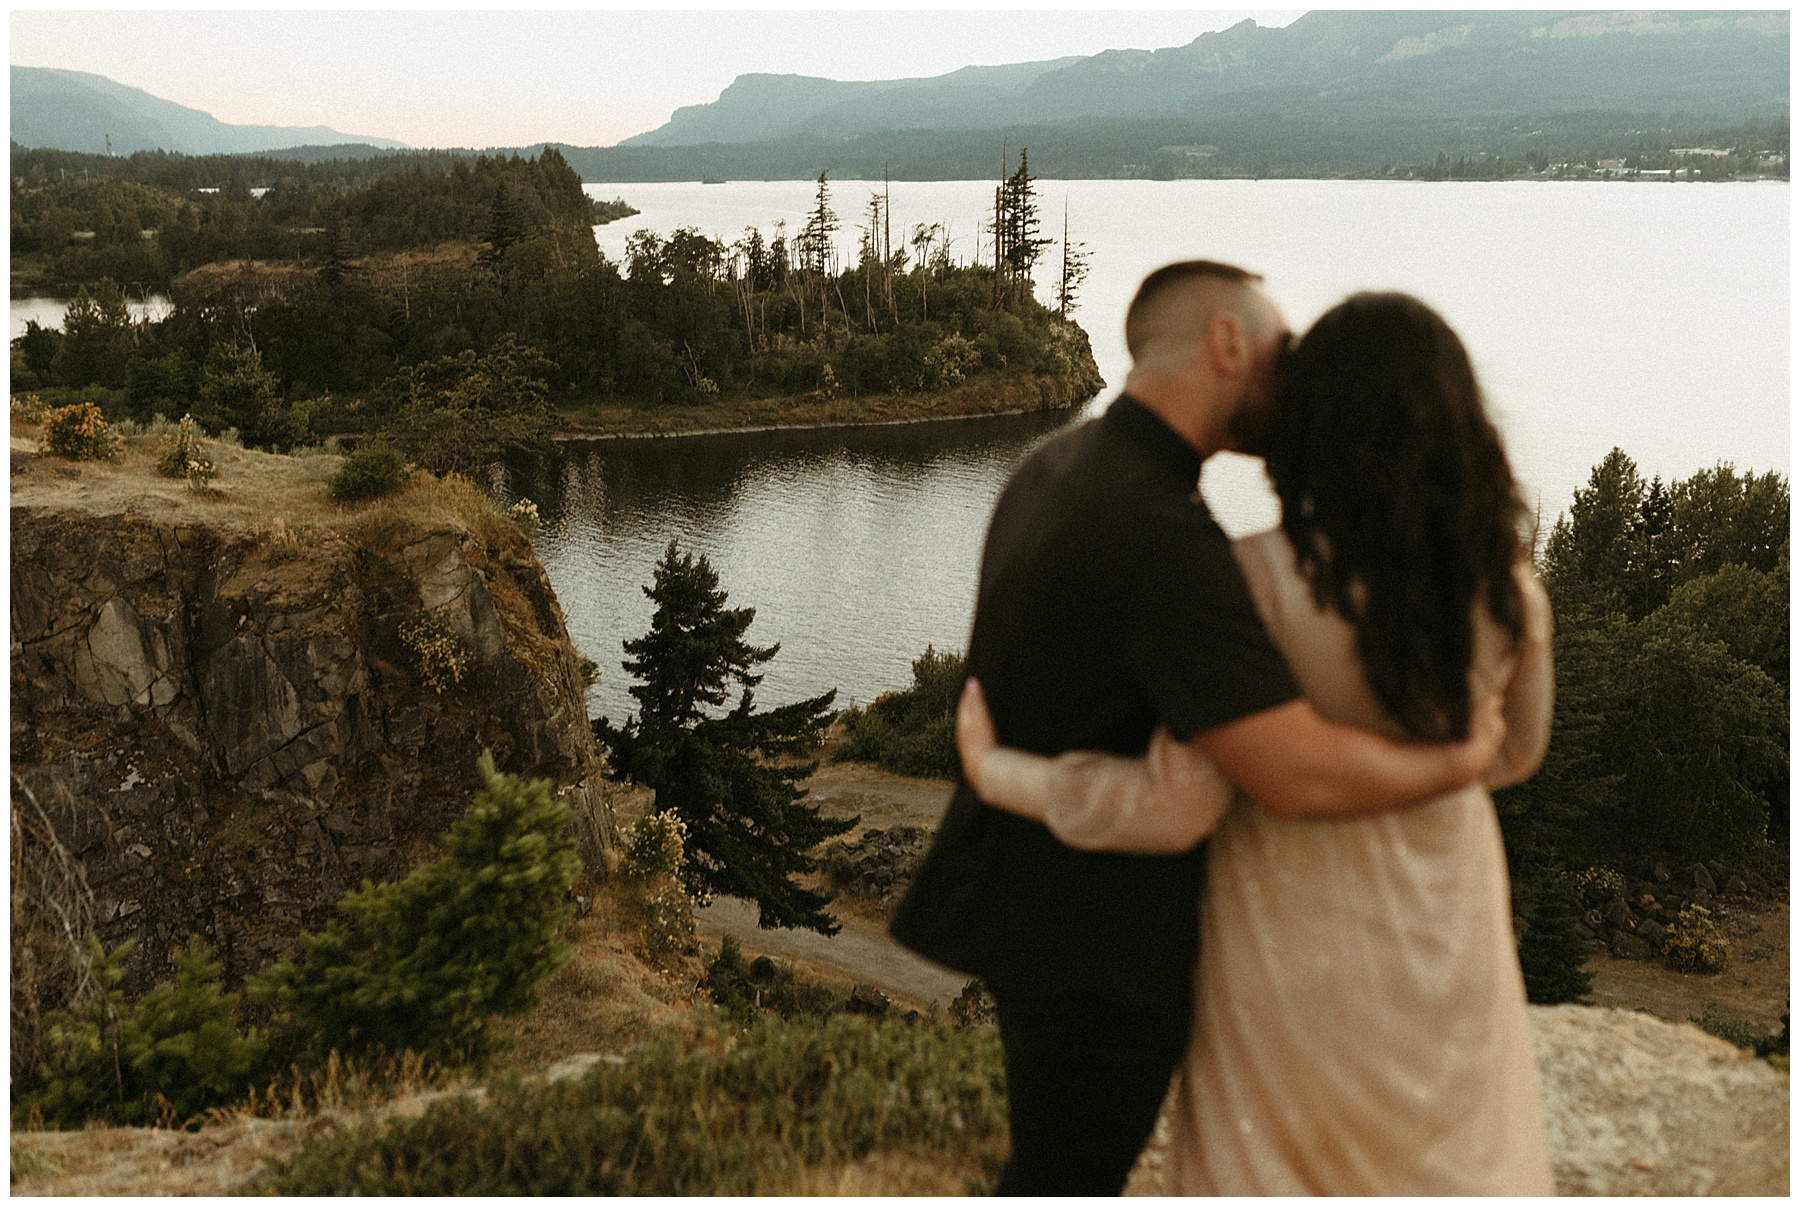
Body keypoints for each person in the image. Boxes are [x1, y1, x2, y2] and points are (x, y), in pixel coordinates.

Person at [889, 263, 1509, 1196]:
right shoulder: (1161, 533)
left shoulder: (1055, 466)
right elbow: (1291, 772)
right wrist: (1460, 756)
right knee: (1065, 1181)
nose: (1297, 383)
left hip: (1038, 913)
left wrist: (994, 768)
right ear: (1226, 341)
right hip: (1099, 951)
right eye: (1284, 351)